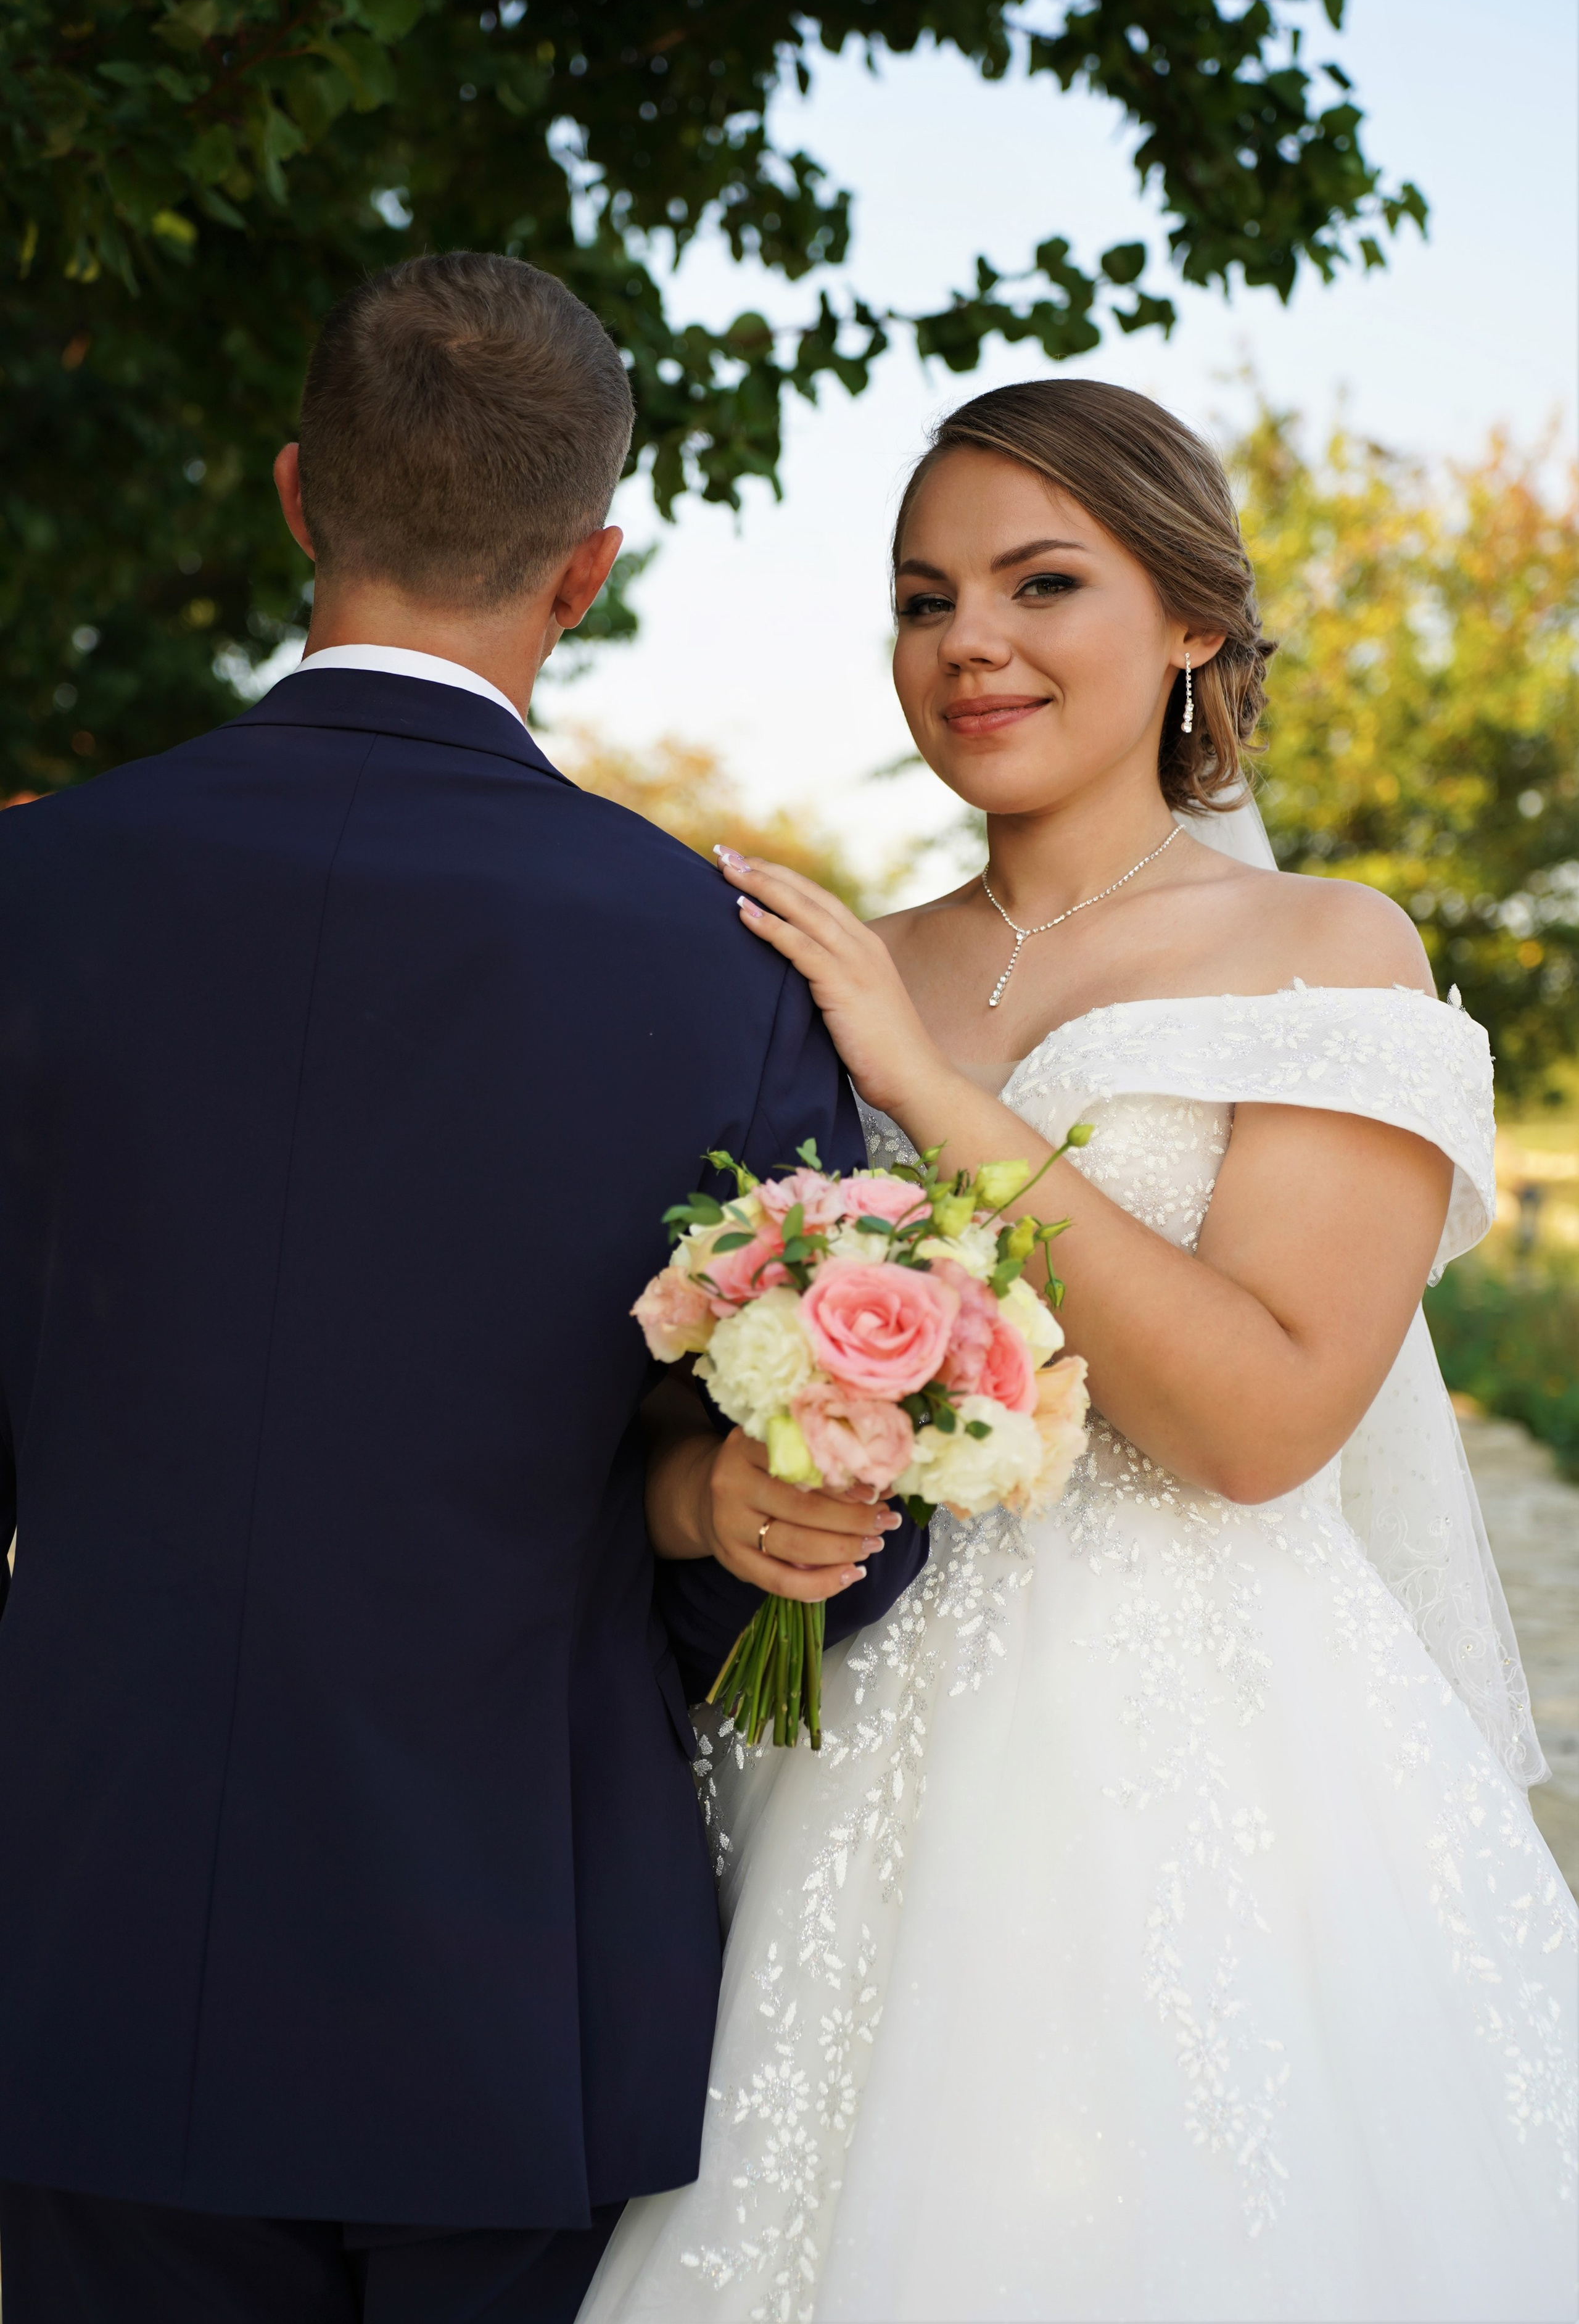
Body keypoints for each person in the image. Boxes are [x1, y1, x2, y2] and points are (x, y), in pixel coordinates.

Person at [582, 380, 1579, 2324]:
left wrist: (927, 1093)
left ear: (1193, 619)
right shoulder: (827, 955)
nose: (970, 643)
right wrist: (718, 1476)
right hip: (826, 1732)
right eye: (921, 596)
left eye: (1045, 582)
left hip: (1212, 1756)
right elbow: (645, 1354)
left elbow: (1266, 1417)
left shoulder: (1326, 948)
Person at [0, 252, 927, 2323]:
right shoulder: (721, 962)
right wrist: (689, 1521)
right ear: (587, 565)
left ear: (296, 493)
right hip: (511, 1966)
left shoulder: (35, 893)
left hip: (84, 1918)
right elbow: (845, 1530)